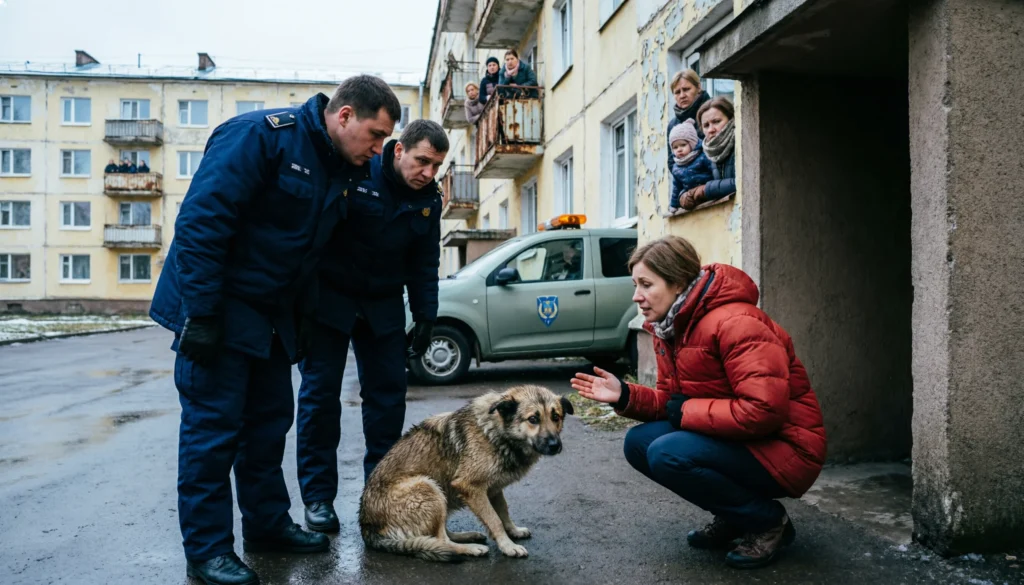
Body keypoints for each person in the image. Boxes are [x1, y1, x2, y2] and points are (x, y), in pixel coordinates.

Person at [148, 75, 401, 585]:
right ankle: (207, 552)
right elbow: (201, 222)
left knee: (268, 426)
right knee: (213, 434)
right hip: (220, 310)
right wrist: (200, 314)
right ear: (344, 115)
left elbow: (310, 254)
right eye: (375, 135)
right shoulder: (260, 136)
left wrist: (302, 324)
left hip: (270, 318)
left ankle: (265, 526)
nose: (379, 151)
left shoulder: (338, 167)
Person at [571, 236, 826, 570]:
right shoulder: (671, 326)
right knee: (638, 443)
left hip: (787, 448)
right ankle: (735, 515)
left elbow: (764, 410)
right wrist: (625, 395)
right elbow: (671, 403)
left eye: (646, 284)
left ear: (677, 283)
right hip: (741, 438)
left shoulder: (737, 323)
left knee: (668, 452)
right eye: (635, 284)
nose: (637, 296)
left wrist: (687, 410)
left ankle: (766, 521)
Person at [295, 119, 446, 534]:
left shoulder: (430, 199)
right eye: (422, 161)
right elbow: (317, 236)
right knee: (319, 398)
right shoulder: (357, 171)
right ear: (399, 151)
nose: (428, 173)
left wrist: (426, 317)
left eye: (436, 165)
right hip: (333, 299)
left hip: (383, 305)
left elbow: (424, 263)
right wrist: (301, 304)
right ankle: (318, 499)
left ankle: (378, 498)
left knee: (387, 403)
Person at [680, 97, 736, 210]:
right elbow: (691, 181)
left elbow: (742, 183)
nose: (711, 129)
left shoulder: (742, 143)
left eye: (716, 122)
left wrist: (705, 190)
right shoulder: (706, 152)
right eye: (706, 125)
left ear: (731, 119)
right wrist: (683, 197)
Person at [666, 69, 711, 169]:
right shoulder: (673, 125)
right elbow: (671, 161)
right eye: (677, 92)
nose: (682, 95)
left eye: (686, 89)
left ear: (698, 88)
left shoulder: (712, 112)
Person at [668, 118, 715, 213]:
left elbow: (714, 172)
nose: (679, 149)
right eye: (675, 147)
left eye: (683, 145)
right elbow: (676, 187)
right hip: (692, 198)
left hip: (708, 191)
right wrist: (673, 205)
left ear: (692, 144)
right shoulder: (676, 168)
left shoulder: (702, 157)